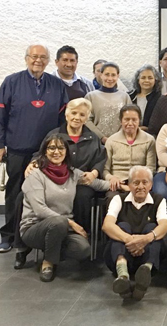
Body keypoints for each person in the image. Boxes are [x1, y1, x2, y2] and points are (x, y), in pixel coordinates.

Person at [0, 44, 69, 252]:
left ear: (48, 61)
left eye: (43, 57)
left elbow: (62, 119)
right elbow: (1, 116)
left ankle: (39, 237)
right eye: (34, 56)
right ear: (26, 58)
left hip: (47, 152)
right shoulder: (11, 82)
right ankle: (9, 236)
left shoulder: (57, 85)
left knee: (44, 194)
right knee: (15, 192)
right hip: (17, 147)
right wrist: (0, 144)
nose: (38, 60)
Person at [20, 134, 109, 281]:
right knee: (59, 222)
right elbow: (40, 210)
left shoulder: (72, 173)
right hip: (35, 227)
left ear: (66, 151)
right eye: (52, 148)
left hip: (63, 229)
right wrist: (71, 223)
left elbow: (97, 184)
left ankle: (52, 249)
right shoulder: (35, 174)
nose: (56, 152)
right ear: (45, 151)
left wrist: (124, 186)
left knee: (83, 249)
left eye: (61, 148)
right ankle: (48, 263)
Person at [23, 98, 106, 242]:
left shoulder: (93, 138)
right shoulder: (54, 135)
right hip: (52, 181)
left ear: (86, 118)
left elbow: (100, 159)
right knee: (23, 197)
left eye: (82, 114)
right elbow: (40, 154)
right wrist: (33, 163)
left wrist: (94, 173)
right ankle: (24, 243)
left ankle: (81, 235)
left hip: (80, 181)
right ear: (67, 115)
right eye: (74, 113)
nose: (77, 117)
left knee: (82, 196)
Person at [102, 166, 167, 300]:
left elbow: (165, 226)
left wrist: (145, 239)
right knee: (122, 226)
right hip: (122, 253)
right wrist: (130, 240)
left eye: (145, 182)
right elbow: (107, 225)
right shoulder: (118, 199)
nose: (140, 186)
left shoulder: (159, 200)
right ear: (129, 185)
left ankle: (145, 273)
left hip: (147, 254)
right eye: (136, 182)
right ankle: (123, 276)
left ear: (151, 185)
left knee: (152, 228)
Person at [104, 105, 156, 198]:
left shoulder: (149, 140)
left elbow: (150, 168)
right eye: (126, 119)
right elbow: (105, 169)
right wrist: (111, 178)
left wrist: (139, 183)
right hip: (118, 184)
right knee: (113, 198)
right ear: (121, 121)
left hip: (140, 184)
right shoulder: (111, 140)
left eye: (134, 120)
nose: (130, 123)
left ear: (139, 121)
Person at [85, 62, 132, 144]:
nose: (110, 78)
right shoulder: (91, 96)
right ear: (101, 75)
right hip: (96, 142)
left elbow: (129, 118)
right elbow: (86, 120)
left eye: (113, 75)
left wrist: (118, 137)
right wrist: (102, 137)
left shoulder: (125, 97)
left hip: (120, 141)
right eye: (107, 74)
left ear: (118, 76)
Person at [129, 64, 162, 131]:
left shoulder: (160, 99)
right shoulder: (130, 96)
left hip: (151, 134)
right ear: (138, 80)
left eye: (150, 78)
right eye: (143, 78)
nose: (146, 80)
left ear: (155, 80)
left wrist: (145, 129)